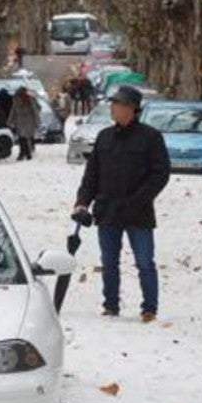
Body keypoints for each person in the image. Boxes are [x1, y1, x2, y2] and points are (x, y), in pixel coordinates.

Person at [74, 85, 170, 322]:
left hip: (138, 212)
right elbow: (92, 174)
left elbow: (160, 174)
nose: (113, 108)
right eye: (113, 104)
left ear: (131, 109)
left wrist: (137, 201)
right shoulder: (105, 136)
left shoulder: (151, 137)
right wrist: (82, 202)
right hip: (107, 210)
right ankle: (111, 304)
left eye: (117, 104)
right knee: (109, 261)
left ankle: (149, 307)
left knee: (145, 261)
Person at [8, 87, 40, 161]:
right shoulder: (16, 100)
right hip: (20, 121)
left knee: (25, 138)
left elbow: (35, 110)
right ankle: (24, 153)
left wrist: (37, 122)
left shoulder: (30, 99)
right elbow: (13, 110)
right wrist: (10, 120)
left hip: (29, 120)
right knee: (21, 138)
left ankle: (26, 154)